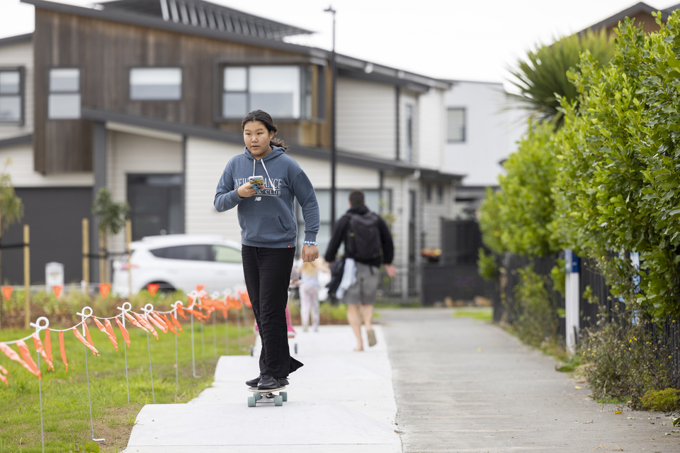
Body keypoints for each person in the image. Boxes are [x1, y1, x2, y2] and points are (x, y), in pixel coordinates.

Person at [214, 110, 319, 390]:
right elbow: (219, 202)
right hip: (250, 246)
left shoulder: (287, 165)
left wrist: (311, 239)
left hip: (280, 245)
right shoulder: (236, 165)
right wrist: (239, 194)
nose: (253, 139)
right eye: (248, 133)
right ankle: (277, 369)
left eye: (259, 133)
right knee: (261, 310)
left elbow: (309, 202)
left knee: (271, 309)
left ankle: (271, 372)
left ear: (271, 134)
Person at [324, 190, 396, 351]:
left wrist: (329, 260)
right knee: (367, 302)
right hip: (372, 267)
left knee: (352, 305)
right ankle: (369, 326)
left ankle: (360, 343)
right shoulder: (376, 219)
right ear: (364, 202)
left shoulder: (345, 220)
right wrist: (388, 262)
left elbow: (334, 242)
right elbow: (387, 241)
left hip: (352, 268)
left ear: (350, 203)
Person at [298, 259, 328, 332]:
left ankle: (305, 324)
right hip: (314, 287)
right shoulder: (316, 262)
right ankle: (315, 326)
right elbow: (324, 269)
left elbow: (297, 272)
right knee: (314, 307)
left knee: (304, 306)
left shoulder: (301, 262)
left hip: (304, 286)